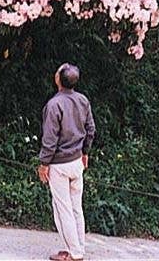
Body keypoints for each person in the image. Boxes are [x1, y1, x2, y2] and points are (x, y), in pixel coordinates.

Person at [38, 63, 95, 261]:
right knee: (75, 207)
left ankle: (75, 253)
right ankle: (74, 248)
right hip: (77, 161)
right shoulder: (83, 100)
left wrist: (44, 163)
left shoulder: (54, 105)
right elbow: (91, 129)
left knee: (63, 209)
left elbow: (50, 138)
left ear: (58, 79)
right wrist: (85, 152)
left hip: (59, 164)